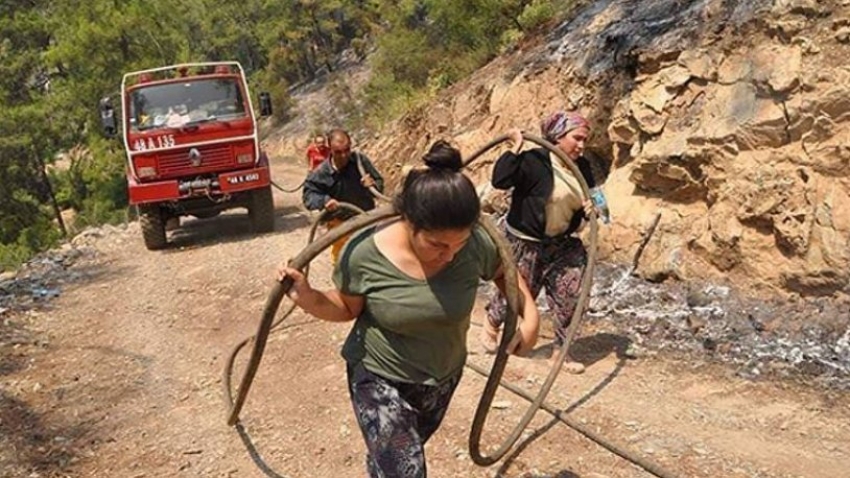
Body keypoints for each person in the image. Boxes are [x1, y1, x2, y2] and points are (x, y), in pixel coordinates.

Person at [279, 140, 539, 478]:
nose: (450, 255)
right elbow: (345, 307)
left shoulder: (474, 242)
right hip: (379, 377)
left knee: (397, 460)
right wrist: (307, 296)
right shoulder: (363, 253)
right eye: (437, 245)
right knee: (406, 470)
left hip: (441, 377)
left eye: (458, 245)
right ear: (408, 222)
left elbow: (504, 270)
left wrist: (530, 317)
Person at [483, 111, 602, 374]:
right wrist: (514, 149)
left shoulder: (581, 168)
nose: (582, 145)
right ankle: (492, 323)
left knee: (572, 295)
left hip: (562, 245)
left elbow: (598, 200)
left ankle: (561, 352)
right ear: (558, 137)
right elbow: (500, 180)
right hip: (524, 241)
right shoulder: (533, 160)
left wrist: (595, 208)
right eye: (577, 138)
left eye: (585, 140)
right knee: (515, 297)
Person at [302, 129, 385, 263]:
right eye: (338, 152)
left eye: (347, 150)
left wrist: (373, 184)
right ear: (330, 149)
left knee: (372, 260)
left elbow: (379, 183)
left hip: (366, 219)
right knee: (344, 262)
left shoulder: (359, 161)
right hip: (340, 225)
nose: (344, 155)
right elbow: (309, 196)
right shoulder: (321, 173)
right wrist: (324, 201)